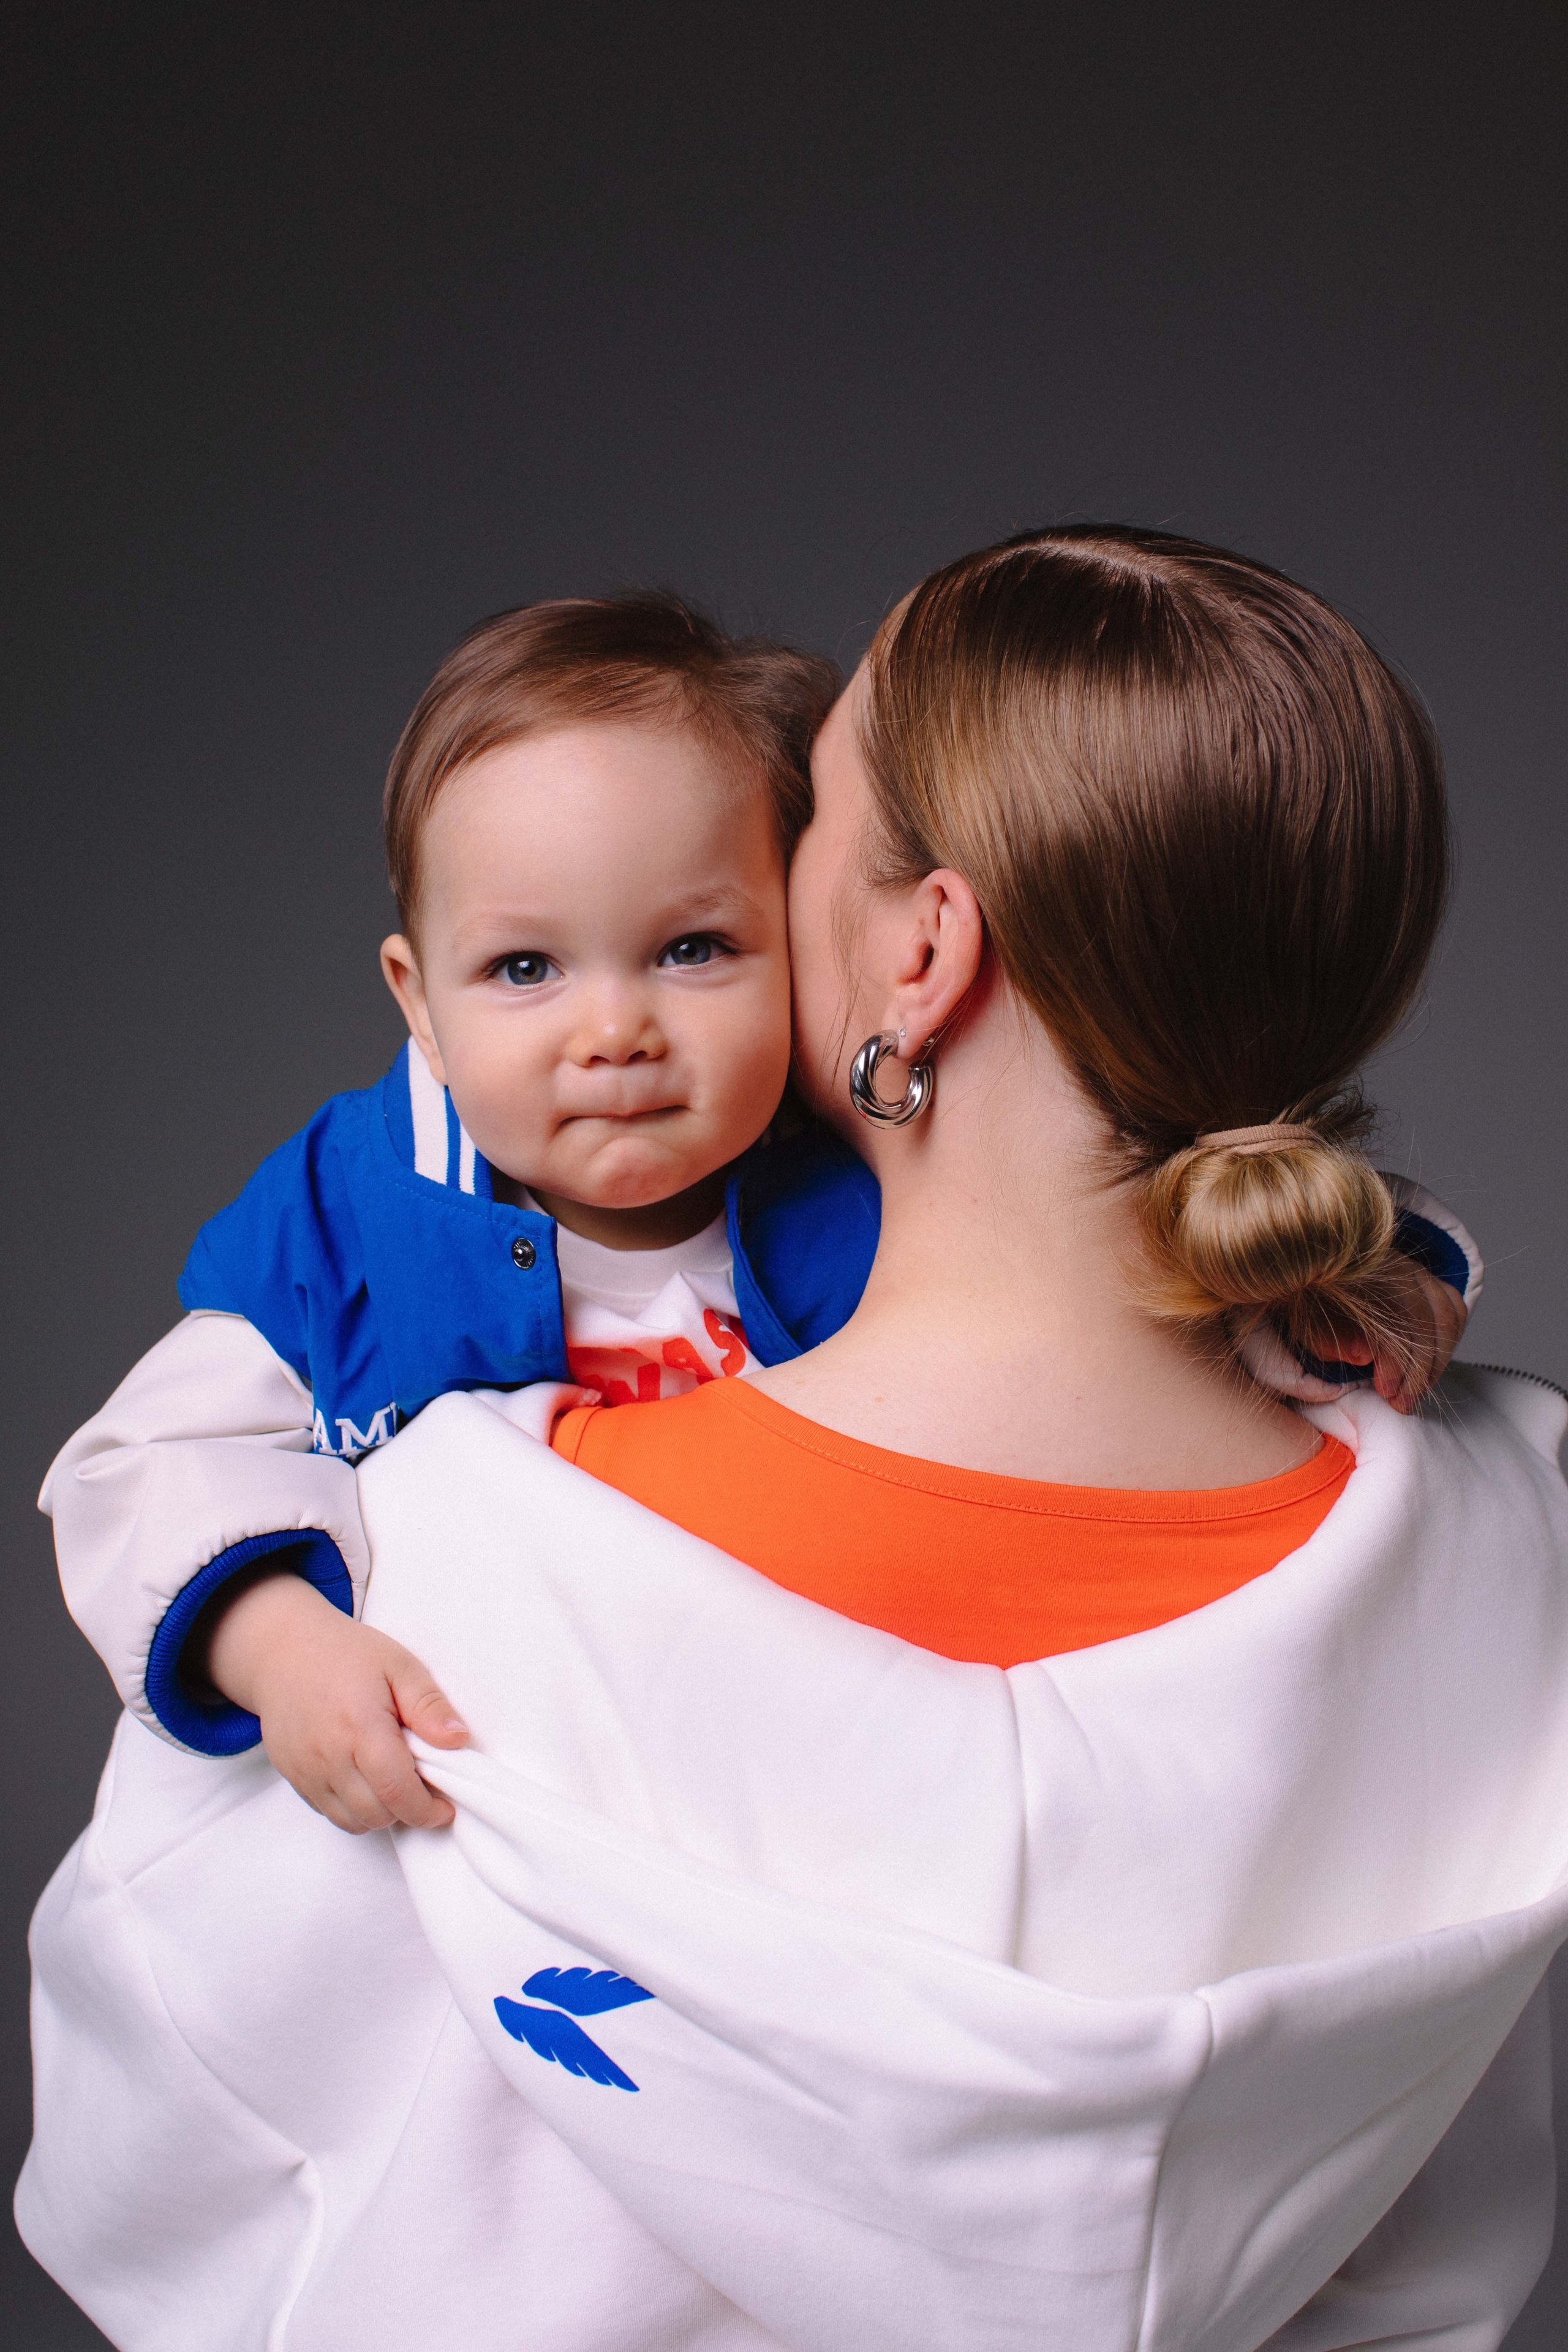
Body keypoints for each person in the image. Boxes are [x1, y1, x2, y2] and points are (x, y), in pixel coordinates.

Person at [21, 528, 1561, 2352]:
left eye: (802, 825)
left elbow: (171, 2167)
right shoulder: (1514, 1544)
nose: (615, 1022)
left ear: (921, 949)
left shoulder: (438, 1597)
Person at [40, 585, 1472, 1819]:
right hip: (468, 1797)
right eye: (525, 970)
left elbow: (1182, 1184)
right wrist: (277, 1641)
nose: (612, 1031)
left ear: (804, 947)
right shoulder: (351, 1217)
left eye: (692, 947)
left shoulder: (841, 1174)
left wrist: (1342, 1288)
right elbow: (139, 1470)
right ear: (417, 1001)